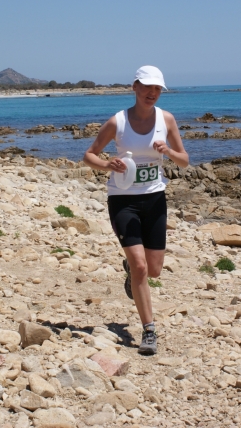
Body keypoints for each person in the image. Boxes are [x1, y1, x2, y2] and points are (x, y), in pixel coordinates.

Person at [83, 66, 189, 355]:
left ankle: (131, 269)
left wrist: (167, 151)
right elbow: (89, 154)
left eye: (157, 89)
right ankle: (149, 330)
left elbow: (184, 161)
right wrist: (107, 165)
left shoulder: (166, 119)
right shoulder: (117, 122)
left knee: (152, 270)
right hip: (123, 200)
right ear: (135, 87)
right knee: (143, 266)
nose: (152, 93)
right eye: (147, 87)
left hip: (154, 199)